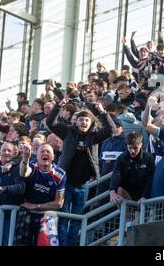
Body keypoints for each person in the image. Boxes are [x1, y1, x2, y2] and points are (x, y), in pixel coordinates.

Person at [46, 98, 116, 246]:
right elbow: (50, 123)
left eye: (86, 120)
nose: (83, 122)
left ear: (91, 123)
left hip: (83, 185)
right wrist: (58, 106)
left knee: (77, 218)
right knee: (64, 217)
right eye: (81, 120)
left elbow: (112, 130)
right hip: (65, 184)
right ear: (75, 122)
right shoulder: (67, 132)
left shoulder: (95, 136)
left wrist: (102, 112)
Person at [18, 143, 66, 246]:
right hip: (27, 214)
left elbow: (59, 203)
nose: (45, 153)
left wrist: (35, 206)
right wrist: (25, 158)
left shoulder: (60, 174)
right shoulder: (31, 165)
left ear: (53, 157)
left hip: (46, 217)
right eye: (42, 151)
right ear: (37, 155)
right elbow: (23, 172)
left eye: (48, 151)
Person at [109, 131, 155, 224]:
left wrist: (144, 196)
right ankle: (127, 223)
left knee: (140, 223)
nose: (132, 151)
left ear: (141, 145)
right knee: (118, 191)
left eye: (135, 148)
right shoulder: (122, 158)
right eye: (130, 148)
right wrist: (112, 191)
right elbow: (116, 174)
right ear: (127, 146)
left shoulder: (148, 158)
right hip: (128, 194)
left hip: (143, 194)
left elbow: (150, 179)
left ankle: (136, 219)